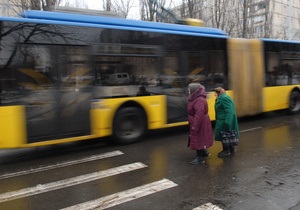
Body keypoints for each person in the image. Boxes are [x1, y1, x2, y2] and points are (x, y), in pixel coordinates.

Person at [187, 83, 213, 164]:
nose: (188, 91)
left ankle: (200, 158)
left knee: (198, 138)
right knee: (200, 138)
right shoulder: (196, 98)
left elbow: (199, 114)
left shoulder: (199, 100)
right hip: (199, 122)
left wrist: (195, 126)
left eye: (189, 89)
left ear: (194, 90)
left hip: (200, 123)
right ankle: (203, 153)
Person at [213, 87, 239, 157]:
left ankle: (226, 150)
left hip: (224, 120)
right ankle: (231, 148)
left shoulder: (224, 98)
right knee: (227, 135)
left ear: (219, 93)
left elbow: (229, 111)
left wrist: (227, 122)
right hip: (222, 120)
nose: (214, 94)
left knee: (224, 136)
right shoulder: (222, 98)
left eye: (215, 93)